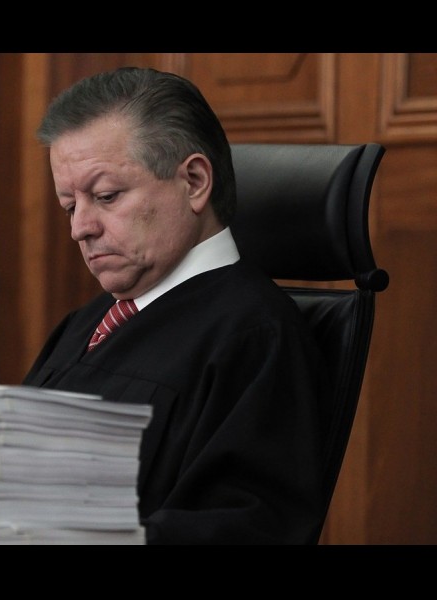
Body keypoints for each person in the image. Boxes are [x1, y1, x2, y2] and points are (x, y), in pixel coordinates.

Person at [22, 67, 329, 544]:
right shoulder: (83, 325)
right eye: (70, 205)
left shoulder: (254, 335)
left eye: (106, 196)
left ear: (194, 181)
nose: (80, 228)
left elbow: (247, 529)